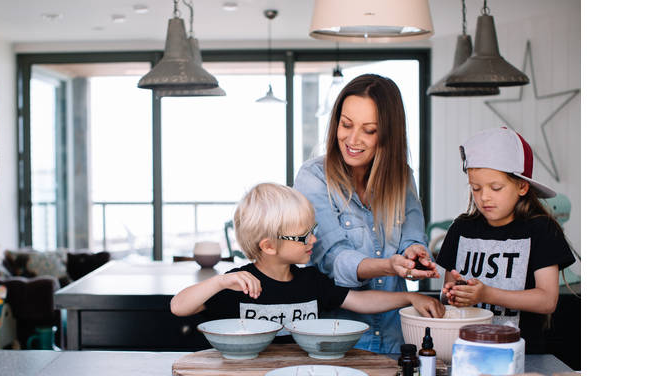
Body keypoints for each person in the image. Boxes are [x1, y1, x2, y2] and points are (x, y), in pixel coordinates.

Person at [170, 182, 445, 344]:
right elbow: (178, 307)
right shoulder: (238, 284)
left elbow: (361, 302)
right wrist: (219, 281)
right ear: (268, 246)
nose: (314, 238)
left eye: (311, 229)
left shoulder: (310, 281)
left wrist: (410, 297)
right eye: (304, 236)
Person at [293, 74, 439, 354]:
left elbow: (411, 239)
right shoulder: (313, 178)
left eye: (368, 130)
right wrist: (389, 265)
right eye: (345, 124)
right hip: (336, 343)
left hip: (396, 341)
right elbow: (332, 260)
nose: (352, 138)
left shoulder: (402, 177)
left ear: (388, 134)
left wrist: (416, 256)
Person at [436, 127, 575, 354]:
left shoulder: (541, 230)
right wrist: (455, 294)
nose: (484, 197)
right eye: (476, 188)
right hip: (466, 352)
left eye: (496, 188)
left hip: (523, 357)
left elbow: (547, 300)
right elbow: (447, 296)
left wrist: (487, 294)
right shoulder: (461, 229)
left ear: (522, 186)